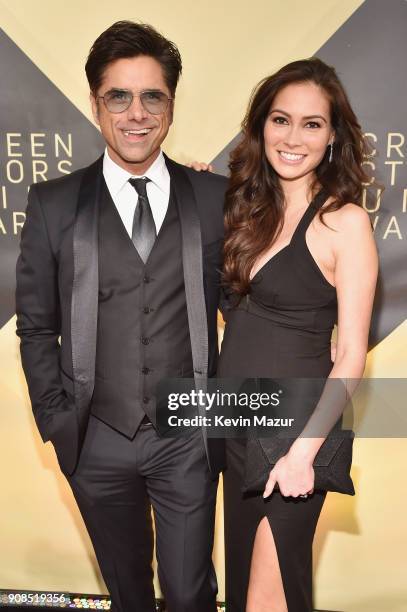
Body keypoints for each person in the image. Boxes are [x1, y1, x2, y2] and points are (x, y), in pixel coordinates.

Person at [15, 21, 227, 612]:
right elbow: (36, 326)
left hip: (187, 437)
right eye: (119, 96)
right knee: (129, 593)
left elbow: (250, 307)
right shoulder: (53, 203)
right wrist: (61, 426)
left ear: (171, 104)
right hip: (94, 440)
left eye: (152, 95)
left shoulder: (215, 200)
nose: (137, 113)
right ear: (95, 103)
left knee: (189, 595)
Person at [217, 58, 378, 611]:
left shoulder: (345, 223)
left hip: (291, 435)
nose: (293, 137)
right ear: (262, 126)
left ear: (333, 136)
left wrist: (303, 454)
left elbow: (352, 354)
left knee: (271, 593)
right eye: (281, 120)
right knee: (243, 590)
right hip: (235, 420)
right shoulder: (246, 208)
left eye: (312, 124)